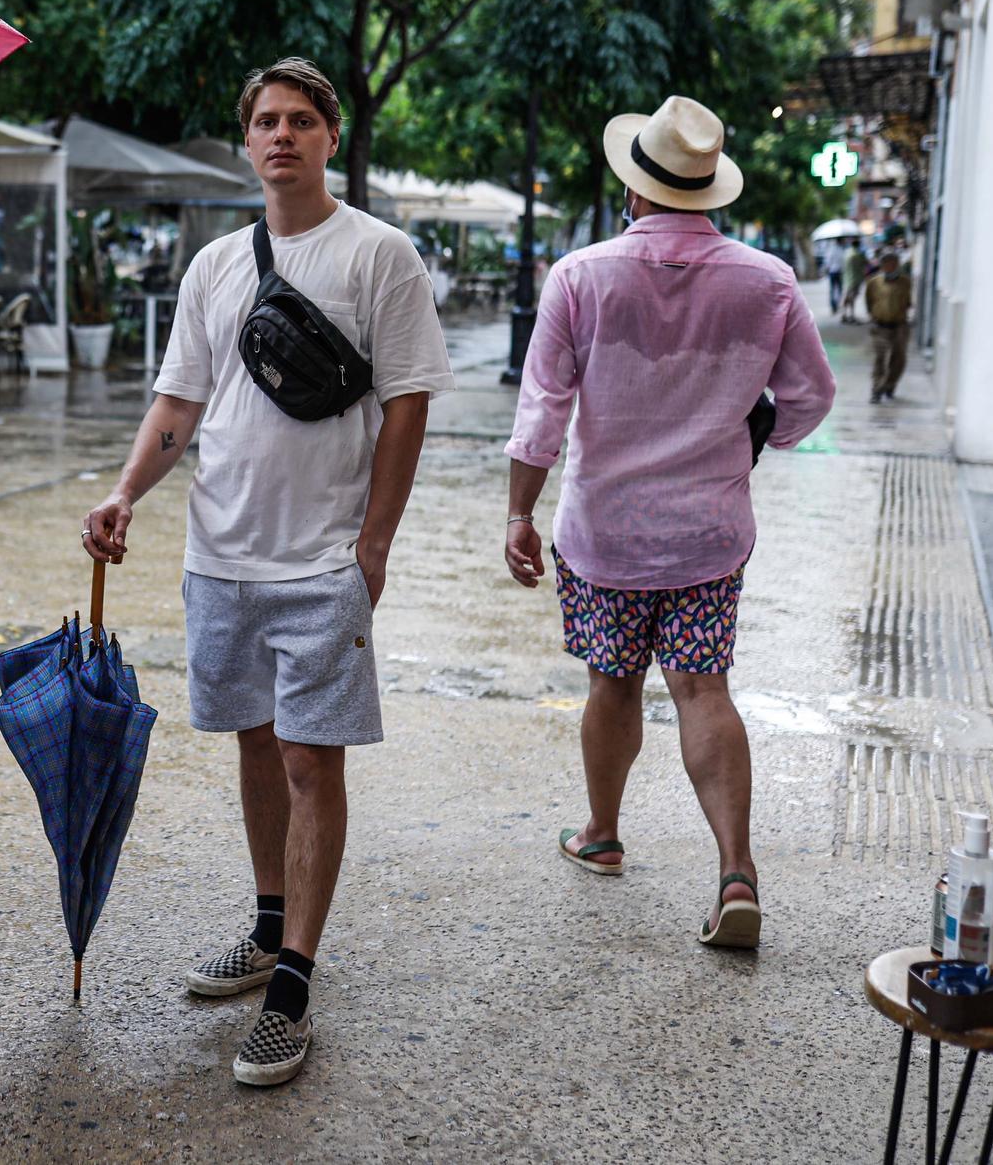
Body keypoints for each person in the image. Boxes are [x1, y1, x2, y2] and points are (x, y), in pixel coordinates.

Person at [83, 57, 453, 1087]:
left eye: (298, 120)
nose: (280, 136)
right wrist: (123, 493)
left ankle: (291, 981)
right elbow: (177, 405)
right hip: (220, 555)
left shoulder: (379, 255)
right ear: (246, 141)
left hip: (320, 559)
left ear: (330, 136)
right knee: (253, 744)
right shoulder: (210, 268)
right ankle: (264, 923)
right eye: (264, 122)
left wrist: (372, 544)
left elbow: (410, 400)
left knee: (307, 760)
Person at [504, 95, 835, 952]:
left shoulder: (579, 276)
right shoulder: (767, 282)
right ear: (709, 192)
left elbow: (542, 411)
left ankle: (603, 835)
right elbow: (811, 397)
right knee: (702, 688)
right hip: (708, 533)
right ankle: (735, 871)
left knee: (612, 684)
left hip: (604, 533)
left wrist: (519, 511)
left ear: (635, 190)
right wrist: (750, 441)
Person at [861, 250, 913, 402]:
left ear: (897, 265)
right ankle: (876, 390)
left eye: (893, 263)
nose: (890, 266)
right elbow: (869, 301)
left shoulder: (905, 282)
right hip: (880, 326)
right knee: (880, 358)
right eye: (886, 263)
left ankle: (890, 385)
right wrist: (874, 314)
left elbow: (908, 302)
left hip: (899, 326)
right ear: (882, 265)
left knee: (898, 359)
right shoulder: (874, 282)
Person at [837, 239, 867, 322]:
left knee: (846, 298)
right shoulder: (857, 254)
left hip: (847, 279)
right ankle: (851, 315)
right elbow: (865, 263)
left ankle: (844, 314)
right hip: (855, 279)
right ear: (858, 245)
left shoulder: (846, 253)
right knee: (852, 298)